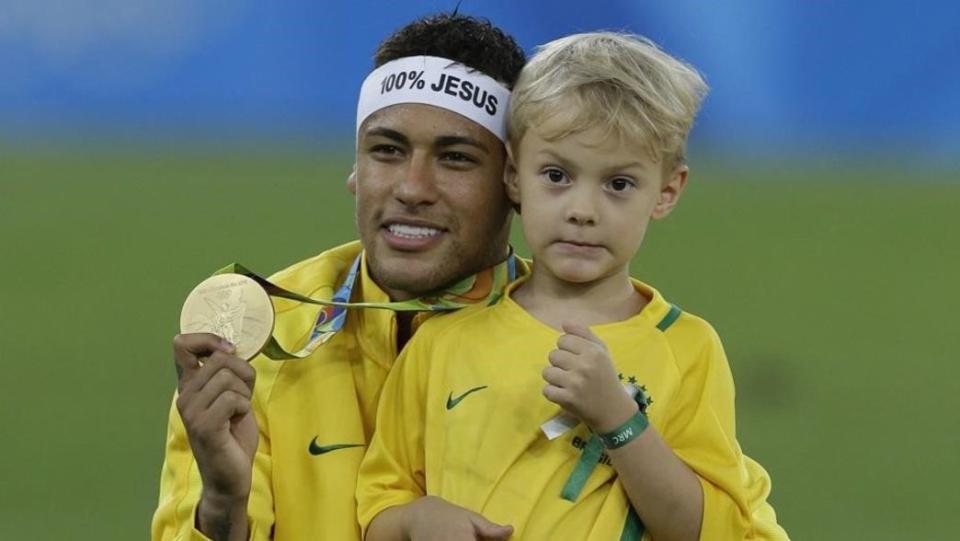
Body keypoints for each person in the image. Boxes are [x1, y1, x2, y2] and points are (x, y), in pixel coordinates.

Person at [357, 32, 789, 540]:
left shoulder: (687, 350)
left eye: (618, 184)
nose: (582, 210)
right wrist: (415, 520)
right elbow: (377, 506)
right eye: (557, 175)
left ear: (667, 191)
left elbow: (708, 529)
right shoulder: (443, 341)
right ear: (514, 176)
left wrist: (619, 419)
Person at [151, 13, 526, 541]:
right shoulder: (258, 337)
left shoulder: (577, 350)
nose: (412, 188)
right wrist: (222, 505)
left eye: (456, 158)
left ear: (515, 183)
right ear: (355, 168)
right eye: (387, 151)